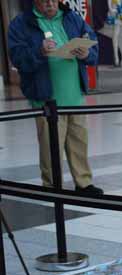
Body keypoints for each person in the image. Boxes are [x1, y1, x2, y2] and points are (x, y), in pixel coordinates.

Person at [8, 0, 103, 196]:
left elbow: (91, 43)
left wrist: (86, 54)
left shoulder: (72, 18)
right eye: (45, 1)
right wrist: (39, 51)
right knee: (51, 146)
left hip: (75, 96)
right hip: (46, 98)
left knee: (79, 142)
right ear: (36, 2)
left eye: (53, 0)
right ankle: (52, 186)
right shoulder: (22, 23)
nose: (50, 4)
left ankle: (83, 183)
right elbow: (17, 58)